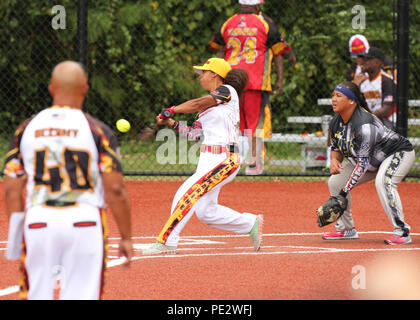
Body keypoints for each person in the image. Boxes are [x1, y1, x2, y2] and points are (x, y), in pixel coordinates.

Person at [3, 61, 133, 300]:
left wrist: (17, 234)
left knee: (35, 293)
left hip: (38, 220)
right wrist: (126, 237)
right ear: (85, 88)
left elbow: (11, 190)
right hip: (84, 221)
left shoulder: (26, 129)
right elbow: (115, 189)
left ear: (51, 88)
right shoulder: (98, 130)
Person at [142, 58, 264, 255]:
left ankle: (167, 241)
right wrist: (171, 123)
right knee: (206, 212)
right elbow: (194, 134)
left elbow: (198, 102)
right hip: (208, 160)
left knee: (186, 193)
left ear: (214, 74)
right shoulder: (206, 108)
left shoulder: (227, 91)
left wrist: (172, 109)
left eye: (204, 72)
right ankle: (250, 223)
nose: (201, 77)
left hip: (224, 158)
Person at [209, 0, 296, 175]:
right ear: (258, 6)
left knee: (234, 122)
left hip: (231, 81)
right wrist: (281, 77)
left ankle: (232, 162)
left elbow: (218, 48)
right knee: (255, 124)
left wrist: (217, 78)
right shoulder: (265, 23)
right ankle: (255, 163)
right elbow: (280, 51)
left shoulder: (228, 23)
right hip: (255, 81)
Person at [322, 81, 415, 245]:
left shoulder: (364, 124)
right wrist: (334, 160)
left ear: (351, 101)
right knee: (335, 182)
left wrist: (343, 195)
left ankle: (402, 232)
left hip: (396, 153)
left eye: (339, 96)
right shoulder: (336, 122)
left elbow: (362, 165)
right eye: (333, 96)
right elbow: (335, 147)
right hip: (370, 160)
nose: (333, 99)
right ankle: (346, 229)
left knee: (383, 181)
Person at [353, 46, 396, 130]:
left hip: (387, 121)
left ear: (376, 62)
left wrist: (367, 118)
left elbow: (385, 111)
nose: (362, 62)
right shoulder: (362, 80)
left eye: (366, 60)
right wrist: (356, 86)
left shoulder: (386, 80)